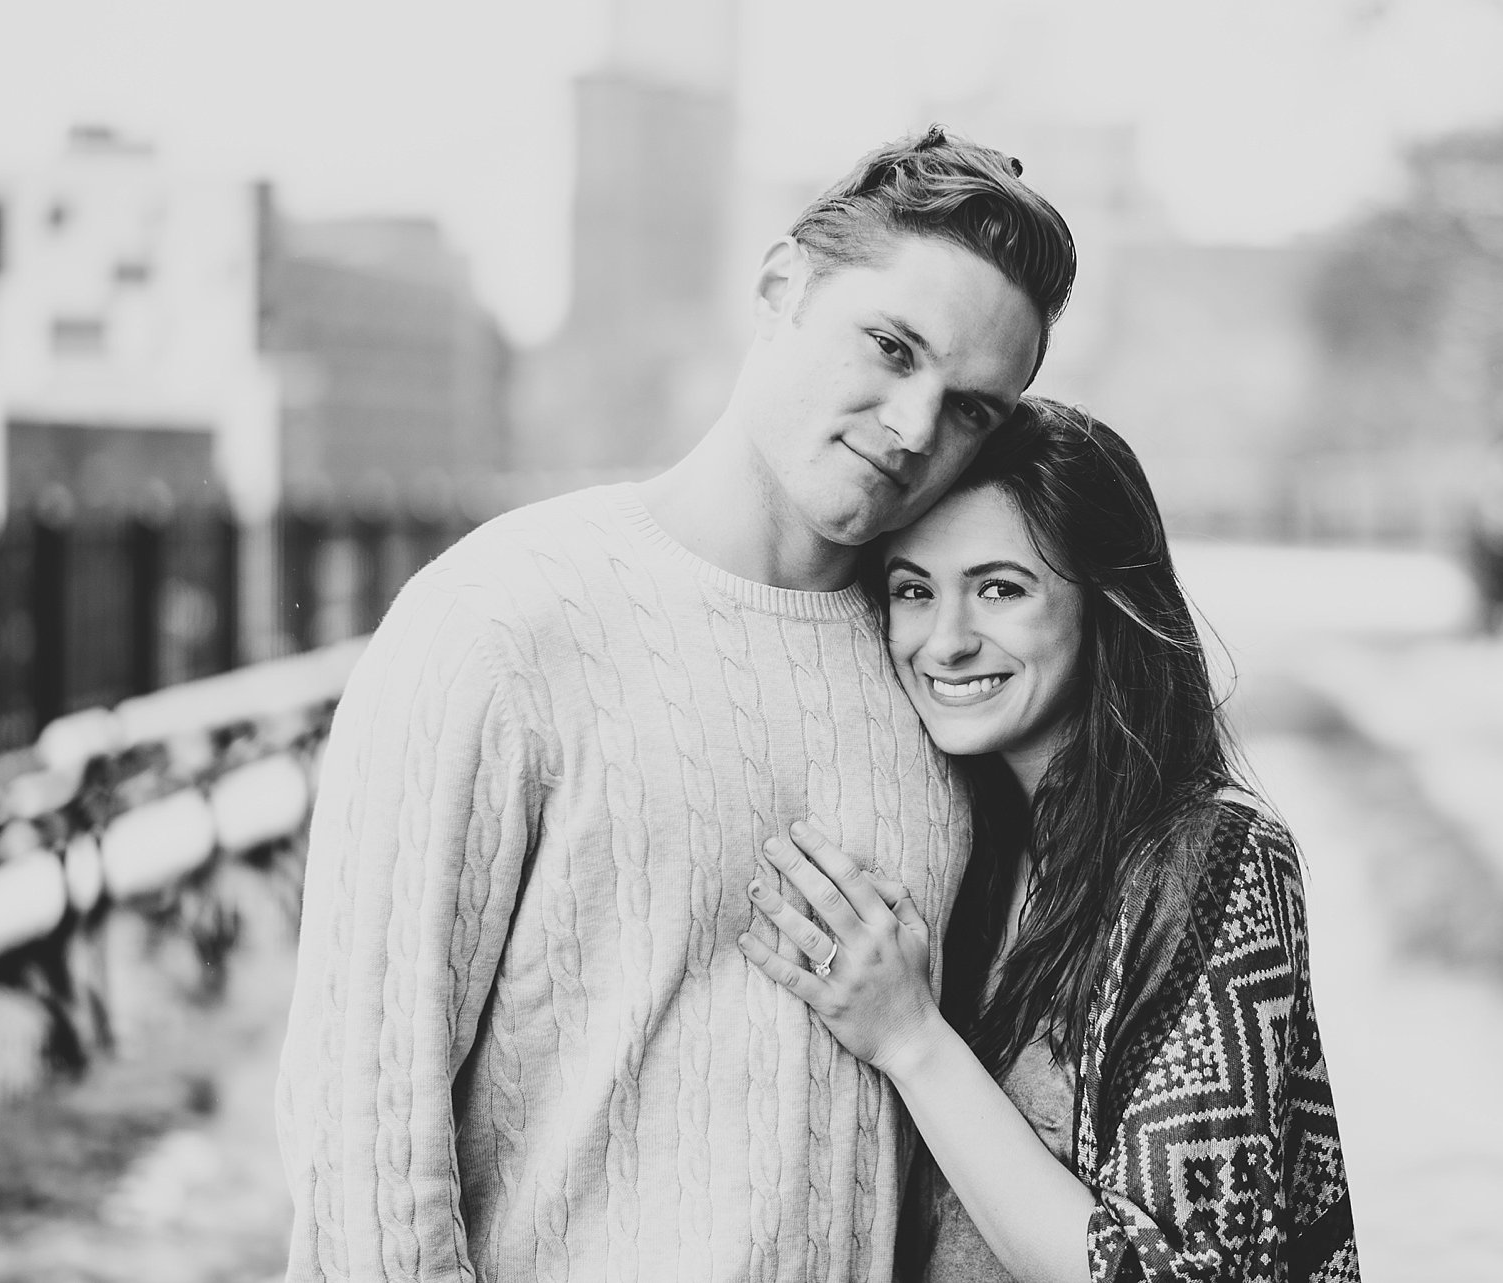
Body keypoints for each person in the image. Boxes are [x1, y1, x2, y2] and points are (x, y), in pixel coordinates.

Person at [274, 127, 1076, 1283]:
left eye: (969, 411)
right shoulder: (500, 621)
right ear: (780, 286)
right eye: (891, 347)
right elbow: (366, 1147)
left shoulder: (941, 674)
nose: (913, 426)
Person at [739, 398, 1359, 1282]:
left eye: (1001, 588)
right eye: (914, 589)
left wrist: (912, 1040)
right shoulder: (958, 841)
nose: (946, 642)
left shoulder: (1215, 858)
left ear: (1106, 599)